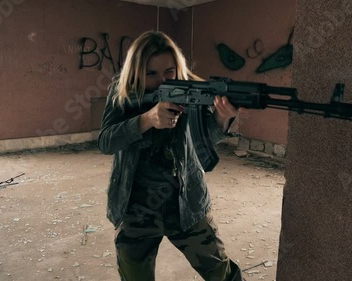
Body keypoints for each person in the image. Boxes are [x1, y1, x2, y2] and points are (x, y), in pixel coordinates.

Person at [97, 30, 244, 281]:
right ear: (135, 73)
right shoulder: (121, 92)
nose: (162, 82)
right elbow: (106, 142)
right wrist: (146, 119)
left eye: (169, 72)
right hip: (136, 208)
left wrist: (221, 116)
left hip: (186, 203)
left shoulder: (189, 90)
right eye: (151, 74)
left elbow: (206, 138)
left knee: (221, 273)